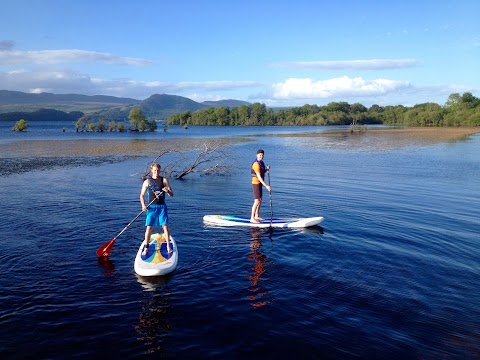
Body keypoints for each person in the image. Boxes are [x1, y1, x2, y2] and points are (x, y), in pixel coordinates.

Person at [140, 162, 174, 256]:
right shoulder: (147, 182)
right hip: (152, 208)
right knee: (149, 228)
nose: (156, 172)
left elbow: (171, 195)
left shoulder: (164, 180)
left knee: (165, 227)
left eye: (158, 170)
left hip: (162, 207)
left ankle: (168, 246)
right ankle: (146, 248)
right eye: (155, 170)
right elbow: (142, 195)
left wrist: (167, 191)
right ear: (151, 170)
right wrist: (143, 205)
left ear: (160, 170)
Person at [250, 149, 271, 223]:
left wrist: (266, 169)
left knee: (260, 200)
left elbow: (262, 172)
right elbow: (258, 176)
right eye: (260, 155)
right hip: (256, 183)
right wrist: (266, 186)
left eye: (262, 155)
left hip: (260, 183)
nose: (261, 156)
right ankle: (252, 218)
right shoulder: (256, 164)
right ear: (257, 155)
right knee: (257, 201)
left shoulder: (261, 163)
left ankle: (256, 215)